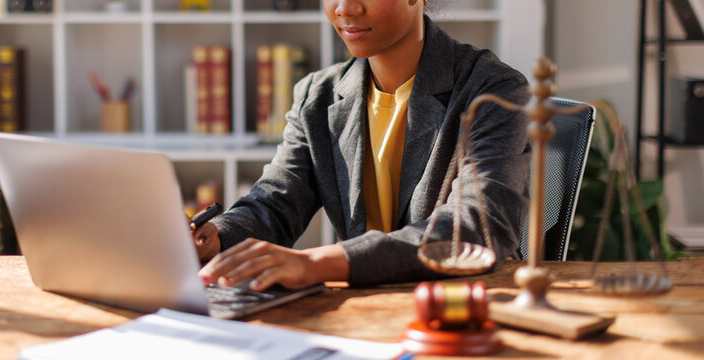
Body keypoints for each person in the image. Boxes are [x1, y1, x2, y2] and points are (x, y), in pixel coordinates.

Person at [194, 0, 531, 292]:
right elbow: (276, 203)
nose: (345, 8)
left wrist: (321, 262)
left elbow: (476, 225)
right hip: (362, 308)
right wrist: (214, 236)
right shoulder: (317, 96)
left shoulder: (493, 89)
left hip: (460, 304)